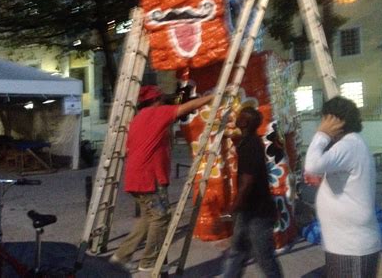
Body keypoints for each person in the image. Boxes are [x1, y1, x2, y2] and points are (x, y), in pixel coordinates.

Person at [110, 85, 214, 272]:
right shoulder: (157, 113)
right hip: (150, 178)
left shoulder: (137, 119)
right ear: (157, 101)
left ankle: (121, 256)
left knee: (147, 218)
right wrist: (213, 96)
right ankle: (148, 262)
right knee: (161, 218)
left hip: (135, 177)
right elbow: (186, 108)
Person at [304, 96, 382, 277]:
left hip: (352, 247)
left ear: (335, 121)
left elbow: (312, 165)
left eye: (325, 119)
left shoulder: (349, 145)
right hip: (344, 244)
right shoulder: (349, 144)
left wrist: (321, 135)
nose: (321, 123)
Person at [223, 107, 283, 278]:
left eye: (240, 117)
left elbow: (247, 181)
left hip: (258, 212)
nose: (237, 118)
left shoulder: (251, 145)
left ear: (245, 122)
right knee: (238, 251)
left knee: (263, 257)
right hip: (249, 209)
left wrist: (233, 206)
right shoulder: (248, 141)